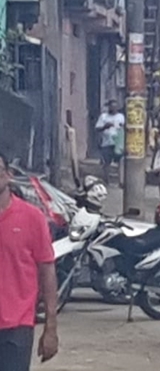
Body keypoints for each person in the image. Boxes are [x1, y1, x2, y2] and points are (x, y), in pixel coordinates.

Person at [0, 152, 59, 369]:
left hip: (17, 326)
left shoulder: (31, 217)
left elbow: (47, 269)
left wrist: (51, 326)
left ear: (8, 174)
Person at [95, 100, 125, 185]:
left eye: (115, 107)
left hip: (118, 143)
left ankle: (121, 181)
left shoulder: (121, 116)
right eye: (112, 106)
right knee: (106, 163)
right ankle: (106, 180)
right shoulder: (103, 116)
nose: (113, 108)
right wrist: (105, 126)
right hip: (106, 142)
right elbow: (97, 128)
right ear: (109, 107)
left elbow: (124, 128)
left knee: (120, 161)